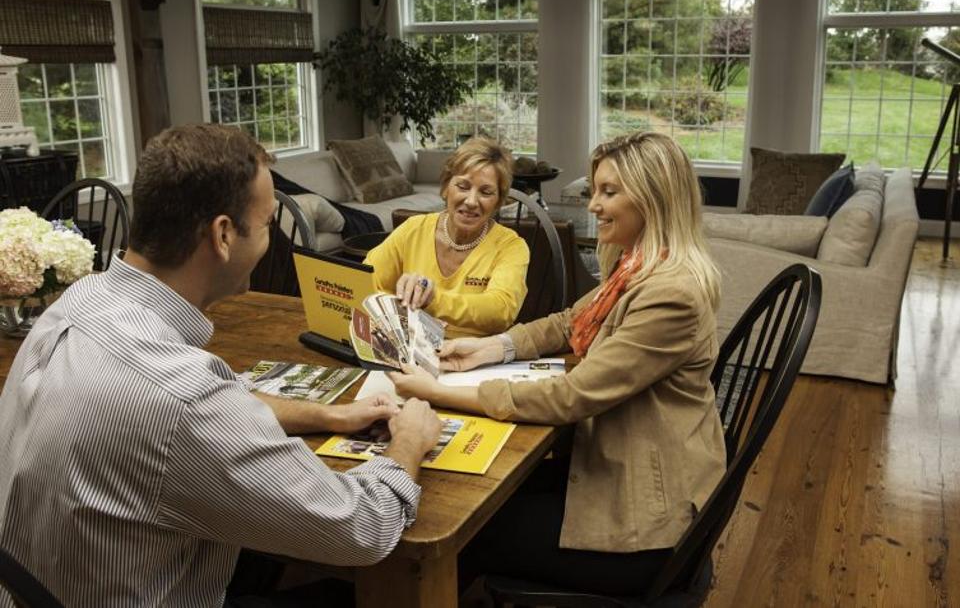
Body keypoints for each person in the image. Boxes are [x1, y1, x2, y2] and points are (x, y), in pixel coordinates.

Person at [0, 124, 442, 607]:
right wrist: (408, 442)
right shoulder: (183, 394)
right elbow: (362, 529)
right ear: (224, 235)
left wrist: (327, 415)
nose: (272, 238)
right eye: (268, 223)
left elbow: (192, 412)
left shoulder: (78, 301)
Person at [389, 131, 727, 595]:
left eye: (609, 192)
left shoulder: (671, 294)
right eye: (596, 190)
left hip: (645, 525)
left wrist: (440, 392)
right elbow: (570, 321)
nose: (594, 205)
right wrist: (492, 348)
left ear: (654, 198)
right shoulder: (640, 266)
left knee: (451, 525)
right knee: (473, 490)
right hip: (618, 465)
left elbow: (573, 395)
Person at [364, 137, 530, 337]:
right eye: (463, 186)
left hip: (476, 352)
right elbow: (365, 280)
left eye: (486, 192)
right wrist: (396, 310)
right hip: (413, 346)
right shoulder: (413, 229)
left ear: (498, 202)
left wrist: (433, 299)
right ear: (445, 188)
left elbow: (501, 310)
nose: (471, 201)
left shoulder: (511, 247)